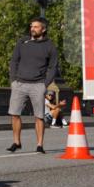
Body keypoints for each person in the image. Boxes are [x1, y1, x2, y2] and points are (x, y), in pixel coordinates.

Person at [7, 16, 59, 153]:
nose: (32, 29)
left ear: (43, 29)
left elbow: (53, 67)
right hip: (19, 83)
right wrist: (13, 80)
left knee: (39, 116)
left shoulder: (50, 46)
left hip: (38, 85)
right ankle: (16, 142)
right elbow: (14, 61)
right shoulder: (22, 41)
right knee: (14, 114)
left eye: (36, 27)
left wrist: (45, 84)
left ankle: (39, 145)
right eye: (31, 26)